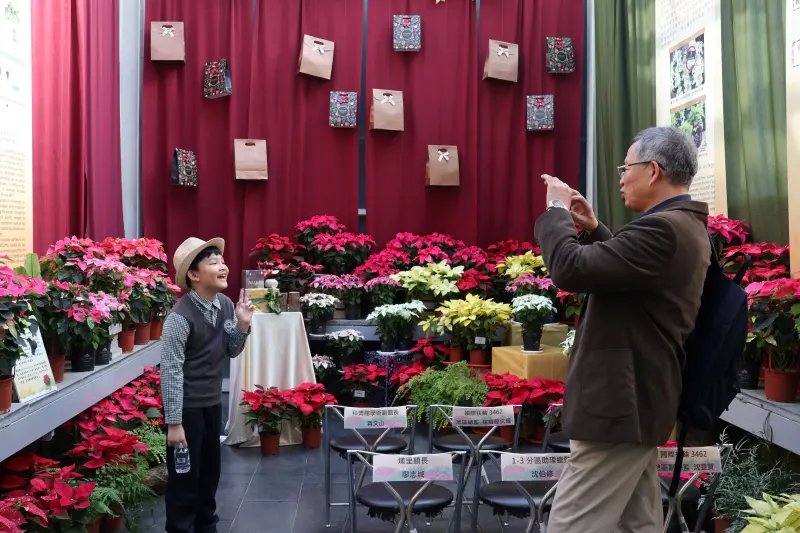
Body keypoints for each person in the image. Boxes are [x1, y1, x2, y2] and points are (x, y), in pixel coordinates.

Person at [534, 127, 710, 533]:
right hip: (636, 402)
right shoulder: (680, 225)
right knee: (637, 524)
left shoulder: (663, 229)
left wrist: (557, 212)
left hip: (620, 405)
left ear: (652, 170)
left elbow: (570, 268)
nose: (620, 178)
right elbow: (634, 284)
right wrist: (595, 229)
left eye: (625, 168)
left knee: (571, 525)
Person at [160, 237, 253, 533]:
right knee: (185, 480)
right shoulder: (179, 317)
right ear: (194, 275)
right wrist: (174, 423)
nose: (223, 267)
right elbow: (171, 370)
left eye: (222, 261)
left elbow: (231, 350)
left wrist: (242, 324)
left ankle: (206, 527)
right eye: (213, 263)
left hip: (212, 404)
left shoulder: (225, 305)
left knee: (210, 475)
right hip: (187, 409)